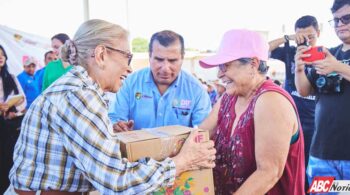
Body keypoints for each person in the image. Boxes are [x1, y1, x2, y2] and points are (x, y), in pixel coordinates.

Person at [8, 19, 216, 195]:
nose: (129, 67)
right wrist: (183, 161)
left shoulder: (80, 90)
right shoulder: (78, 96)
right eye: (127, 57)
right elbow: (117, 181)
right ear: (101, 55)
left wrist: (107, 133)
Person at [199, 29, 305, 195]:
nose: (219, 74)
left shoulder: (271, 100)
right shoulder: (228, 98)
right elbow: (200, 136)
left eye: (225, 66)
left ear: (253, 64)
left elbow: (268, 173)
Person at [295, 0, 350, 187]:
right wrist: (299, 69)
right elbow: (304, 90)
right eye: (335, 20)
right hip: (321, 157)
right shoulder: (328, 54)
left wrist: (338, 67)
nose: (340, 24)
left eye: (346, 18)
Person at [109, 30, 211, 131]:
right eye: (159, 59)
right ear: (149, 56)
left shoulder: (196, 90)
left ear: (182, 58)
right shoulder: (130, 83)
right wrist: (119, 127)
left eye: (172, 60)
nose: (165, 68)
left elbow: (203, 132)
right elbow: (115, 119)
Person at [269, 15, 319, 191]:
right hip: (290, 121)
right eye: (301, 37)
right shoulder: (290, 52)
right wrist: (288, 39)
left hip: (315, 124)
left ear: (319, 34)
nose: (305, 41)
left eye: (310, 37)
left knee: (313, 169)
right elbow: (263, 50)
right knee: (288, 167)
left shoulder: (326, 55)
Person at [0, 45, 26, 194]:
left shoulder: (11, 77)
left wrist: (12, 111)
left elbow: (22, 100)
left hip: (8, 126)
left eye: (2, 54)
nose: (1, 57)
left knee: (8, 161)